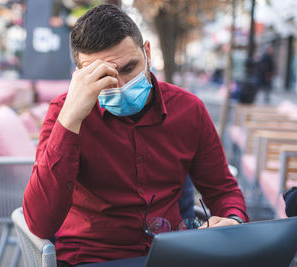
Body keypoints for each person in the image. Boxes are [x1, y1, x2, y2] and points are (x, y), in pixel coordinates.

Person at [23, 4, 249, 266]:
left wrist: (233, 220)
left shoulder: (189, 110)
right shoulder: (63, 114)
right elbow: (40, 223)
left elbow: (222, 189)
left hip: (172, 253)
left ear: (148, 53)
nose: (120, 85)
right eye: (103, 76)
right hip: (90, 258)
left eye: (129, 68)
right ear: (80, 75)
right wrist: (71, 119)